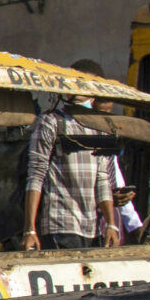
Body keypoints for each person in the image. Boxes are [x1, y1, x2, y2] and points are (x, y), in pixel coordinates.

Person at [20, 98, 116, 250]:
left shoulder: (100, 128)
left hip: (92, 228)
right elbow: (36, 174)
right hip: (60, 223)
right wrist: (30, 229)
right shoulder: (51, 121)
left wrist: (111, 224)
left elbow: (102, 180)